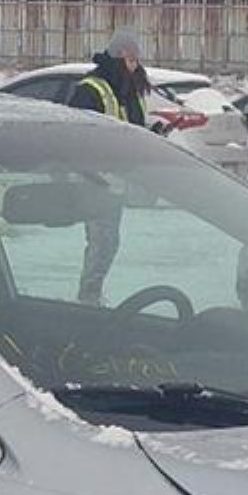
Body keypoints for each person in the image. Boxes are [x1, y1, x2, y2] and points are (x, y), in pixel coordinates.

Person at [61, 29, 150, 300]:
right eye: (129, 58)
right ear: (117, 55)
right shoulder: (92, 89)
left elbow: (131, 128)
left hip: (115, 181)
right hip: (94, 181)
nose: (134, 64)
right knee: (103, 242)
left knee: (108, 243)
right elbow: (78, 136)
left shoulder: (127, 90)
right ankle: (89, 297)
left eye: (136, 59)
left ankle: (91, 293)